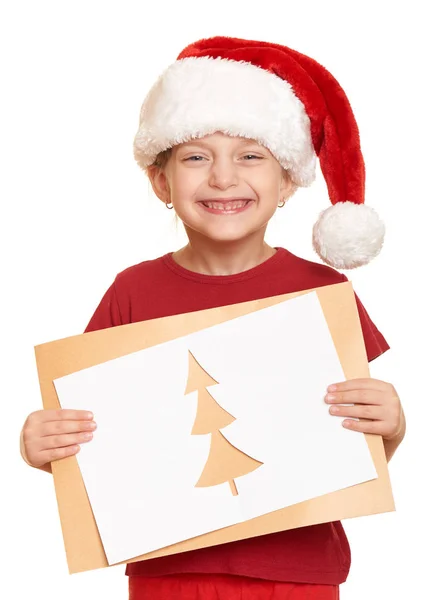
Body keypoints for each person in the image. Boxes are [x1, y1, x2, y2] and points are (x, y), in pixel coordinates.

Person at [20, 36, 406, 600]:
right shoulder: (132, 292)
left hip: (296, 572)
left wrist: (392, 426)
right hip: (166, 570)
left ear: (288, 182)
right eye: (196, 156)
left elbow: (350, 444)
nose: (223, 178)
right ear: (162, 182)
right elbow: (96, 438)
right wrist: (41, 446)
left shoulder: (323, 292)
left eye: (251, 155)